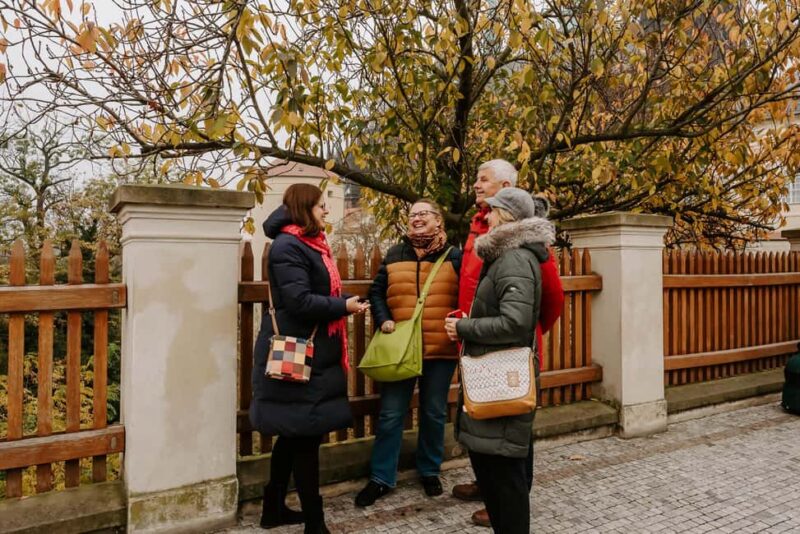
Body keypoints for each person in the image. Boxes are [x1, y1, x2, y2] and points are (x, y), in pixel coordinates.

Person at [250, 184, 369, 533]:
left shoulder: (308, 242)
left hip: (313, 353)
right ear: (304, 208)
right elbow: (299, 301)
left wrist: (346, 300)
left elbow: (318, 292)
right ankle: (315, 523)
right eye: (321, 206)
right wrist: (343, 306)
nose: (327, 211)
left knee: (296, 434)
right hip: (299, 353)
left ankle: (272, 509)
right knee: (305, 439)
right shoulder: (289, 245)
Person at [452, 159, 564, 527]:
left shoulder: (515, 254)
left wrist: (479, 330)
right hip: (484, 350)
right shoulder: (495, 245)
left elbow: (538, 308)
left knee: (507, 458)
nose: (477, 187)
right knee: (492, 454)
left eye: (484, 181)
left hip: (503, 357)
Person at [355, 199, 462, 507]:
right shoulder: (394, 254)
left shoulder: (454, 256)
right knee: (390, 414)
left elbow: (468, 294)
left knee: (433, 412)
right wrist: (384, 318)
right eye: (412, 214)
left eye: (423, 214)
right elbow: (376, 292)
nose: (416, 218)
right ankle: (381, 478)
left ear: (438, 220)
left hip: (439, 348)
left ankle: (429, 470)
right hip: (400, 349)